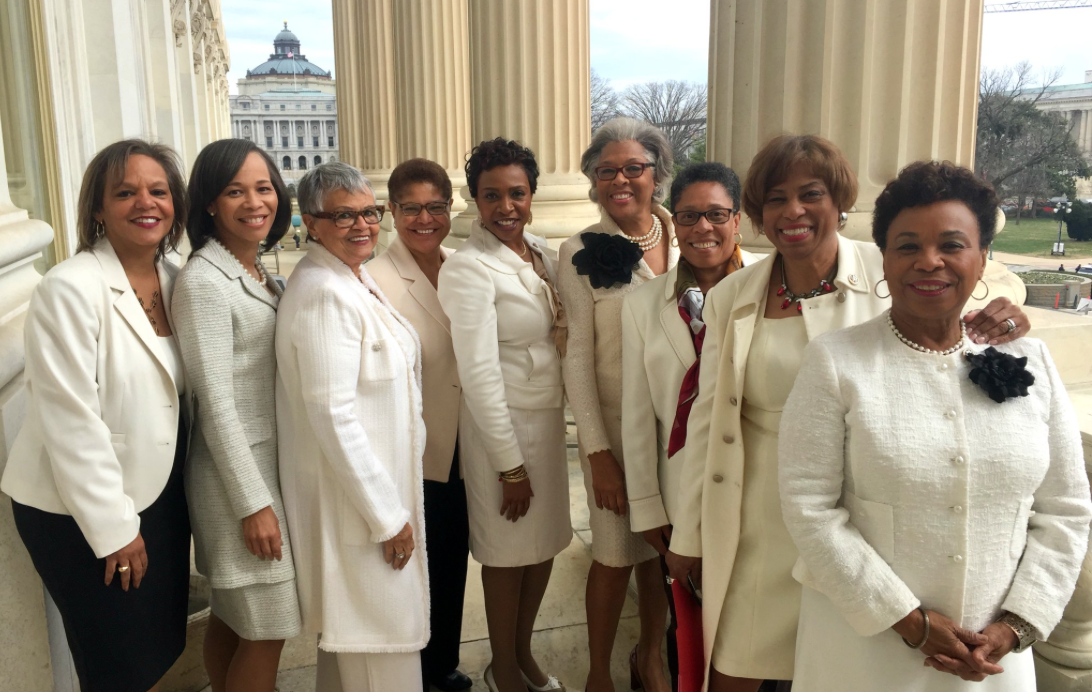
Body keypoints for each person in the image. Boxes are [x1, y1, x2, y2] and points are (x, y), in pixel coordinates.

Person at [665, 135, 1033, 692]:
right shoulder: (732, 297)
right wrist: (690, 535)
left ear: (839, 202)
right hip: (760, 529)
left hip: (866, 539)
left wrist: (1010, 313)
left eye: (811, 193)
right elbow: (708, 422)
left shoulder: (895, 268)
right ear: (759, 215)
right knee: (734, 674)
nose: (794, 211)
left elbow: (971, 287)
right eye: (775, 199)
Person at [779, 160, 1092, 691]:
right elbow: (809, 507)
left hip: (993, 659)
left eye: (952, 245)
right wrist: (909, 620)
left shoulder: (1030, 359)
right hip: (865, 648)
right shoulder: (837, 361)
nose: (930, 262)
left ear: (982, 256)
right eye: (907, 246)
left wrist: (1017, 624)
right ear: (884, 258)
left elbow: (1065, 508)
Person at [1, 140, 191, 692]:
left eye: (157, 190)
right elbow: (71, 422)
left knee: (154, 650)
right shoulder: (69, 287)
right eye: (125, 192)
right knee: (116, 663)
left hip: (158, 495)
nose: (145, 202)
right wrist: (113, 532)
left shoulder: (175, 278)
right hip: (81, 512)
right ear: (97, 209)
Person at [275, 162, 428, 691]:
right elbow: (331, 414)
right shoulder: (324, 292)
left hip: (372, 506)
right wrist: (387, 518)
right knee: (382, 659)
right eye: (344, 215)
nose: (363, 224)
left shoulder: (351, 277)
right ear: (312, 222)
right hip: (363, 517)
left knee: (349, 664)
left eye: (370, 211)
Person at [437, 138, 571, 692]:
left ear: (532, 194)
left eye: (516, 193)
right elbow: (479, 373)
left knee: (542, 549)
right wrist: (509, 466)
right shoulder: (469, 269)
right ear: (476, 200)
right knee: (507, 553)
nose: (506, 207)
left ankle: (521, 650)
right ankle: (505, 666)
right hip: (503, 428)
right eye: (492, 196)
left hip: (545, 420)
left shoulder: (539, 251)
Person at [621, 163, 758, 692]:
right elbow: (637, 416)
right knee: (691, 628)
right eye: (690, 215)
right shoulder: (643, 303)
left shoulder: (773, 286)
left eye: (717, 214)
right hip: (683, 496)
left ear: (738, 219)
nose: (704, 227)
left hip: (757, 489)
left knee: (753, 630)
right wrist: (650, 509)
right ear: (673, 223)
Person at [173, 138, 300, 692]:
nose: (255, 201)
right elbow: (215, 402)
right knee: (269, 627)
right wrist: (255, 506)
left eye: (264, 187)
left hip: (261, 470)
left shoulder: (252, 271)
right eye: (235, 190)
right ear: (208, 203)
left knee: (235, 617)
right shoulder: (204, 280)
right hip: (237, 483)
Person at [557, 116, 676, 692]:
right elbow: (576, 354)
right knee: (613, 555)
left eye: (634, 168)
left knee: (661, 554)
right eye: (607, 171)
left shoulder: (696, 234)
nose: (621, 180)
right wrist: (595, 450)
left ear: (657, 173)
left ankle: (649, 658)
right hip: (614, 434)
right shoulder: (579, 249)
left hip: (680, 432)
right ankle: (599, 675)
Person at [368, 158, 472, 692]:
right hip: (413, 448)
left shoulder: (460, 264)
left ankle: (443, 665)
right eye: (412, 208)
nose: (425, 218)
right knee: (416, 570)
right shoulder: (375, 278)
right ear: (392, 211)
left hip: (463, 444)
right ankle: (417, 672)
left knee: (453, 560)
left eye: (436, 206)